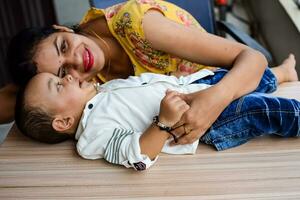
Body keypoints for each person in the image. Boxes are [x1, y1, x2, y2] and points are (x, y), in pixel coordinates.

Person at [1, 0, 298, 144]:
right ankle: (283, 72)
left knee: (265, 107)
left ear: (61, 28)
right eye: (63, 73)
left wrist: (215, 99)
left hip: (218, 79)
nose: (78, 63)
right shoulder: (85, 87)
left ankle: (283, 72)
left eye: (64, 45)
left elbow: (252, 58)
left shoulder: (140, 27)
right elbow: (22, 100)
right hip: (185, 112)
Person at [15, 64, 300, 171]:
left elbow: (145, 84)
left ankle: (282, 73)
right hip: (206, 122)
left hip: (199, 88)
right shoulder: (93, 135)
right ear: (63, 122)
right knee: (262, 109)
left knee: (239, 78)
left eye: (59, 76)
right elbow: (138, 157)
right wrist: (163, 122)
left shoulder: (104, 90)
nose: (67, 77)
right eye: (58, 85)